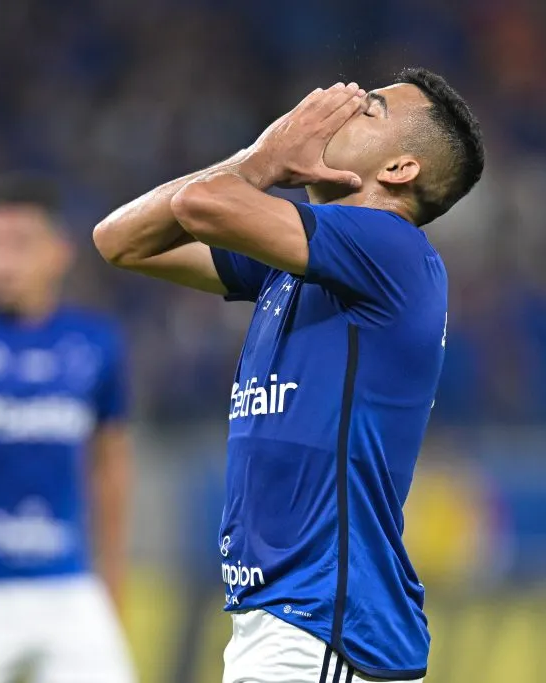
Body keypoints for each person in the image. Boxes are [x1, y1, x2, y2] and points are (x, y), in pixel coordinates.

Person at [93, 68, 484, 683]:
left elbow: (200, 205)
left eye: (370, 110)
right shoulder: (294, 266)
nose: (339, 105)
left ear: (400, 169)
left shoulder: (392, 249)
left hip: (325, 627)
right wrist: (260, 162)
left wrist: (267, 156)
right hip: (292, 624)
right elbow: (122, 240)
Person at [0, 174, 136, 682]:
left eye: (18, 245)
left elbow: (112, 460)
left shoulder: (95, 342)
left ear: (59, 252)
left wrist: (112, 570)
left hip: (65, 583)